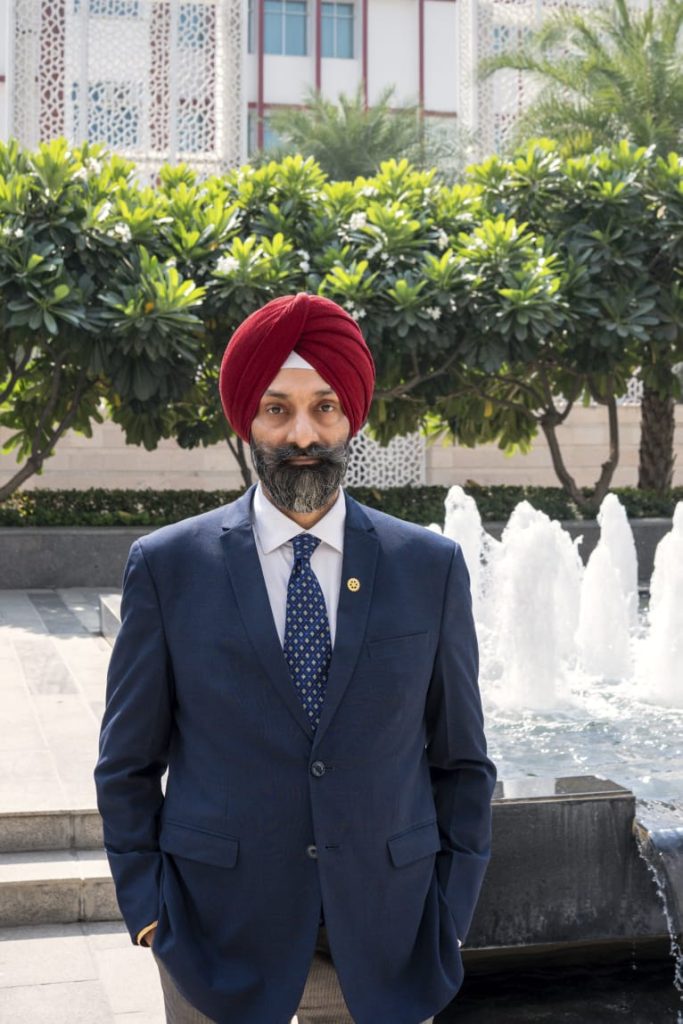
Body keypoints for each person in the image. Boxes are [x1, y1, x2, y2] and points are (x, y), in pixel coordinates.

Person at [95, 292, 496, 1024]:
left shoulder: (428, 567)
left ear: (352, 419)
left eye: (324, 407)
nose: (302, 433)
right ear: (246, 422)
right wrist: (150, 913)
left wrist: (452, 911)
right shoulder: (166, 566)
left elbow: (462, 761)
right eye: (277, 409)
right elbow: (126, 765)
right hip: (213, 939)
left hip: (390, 936)